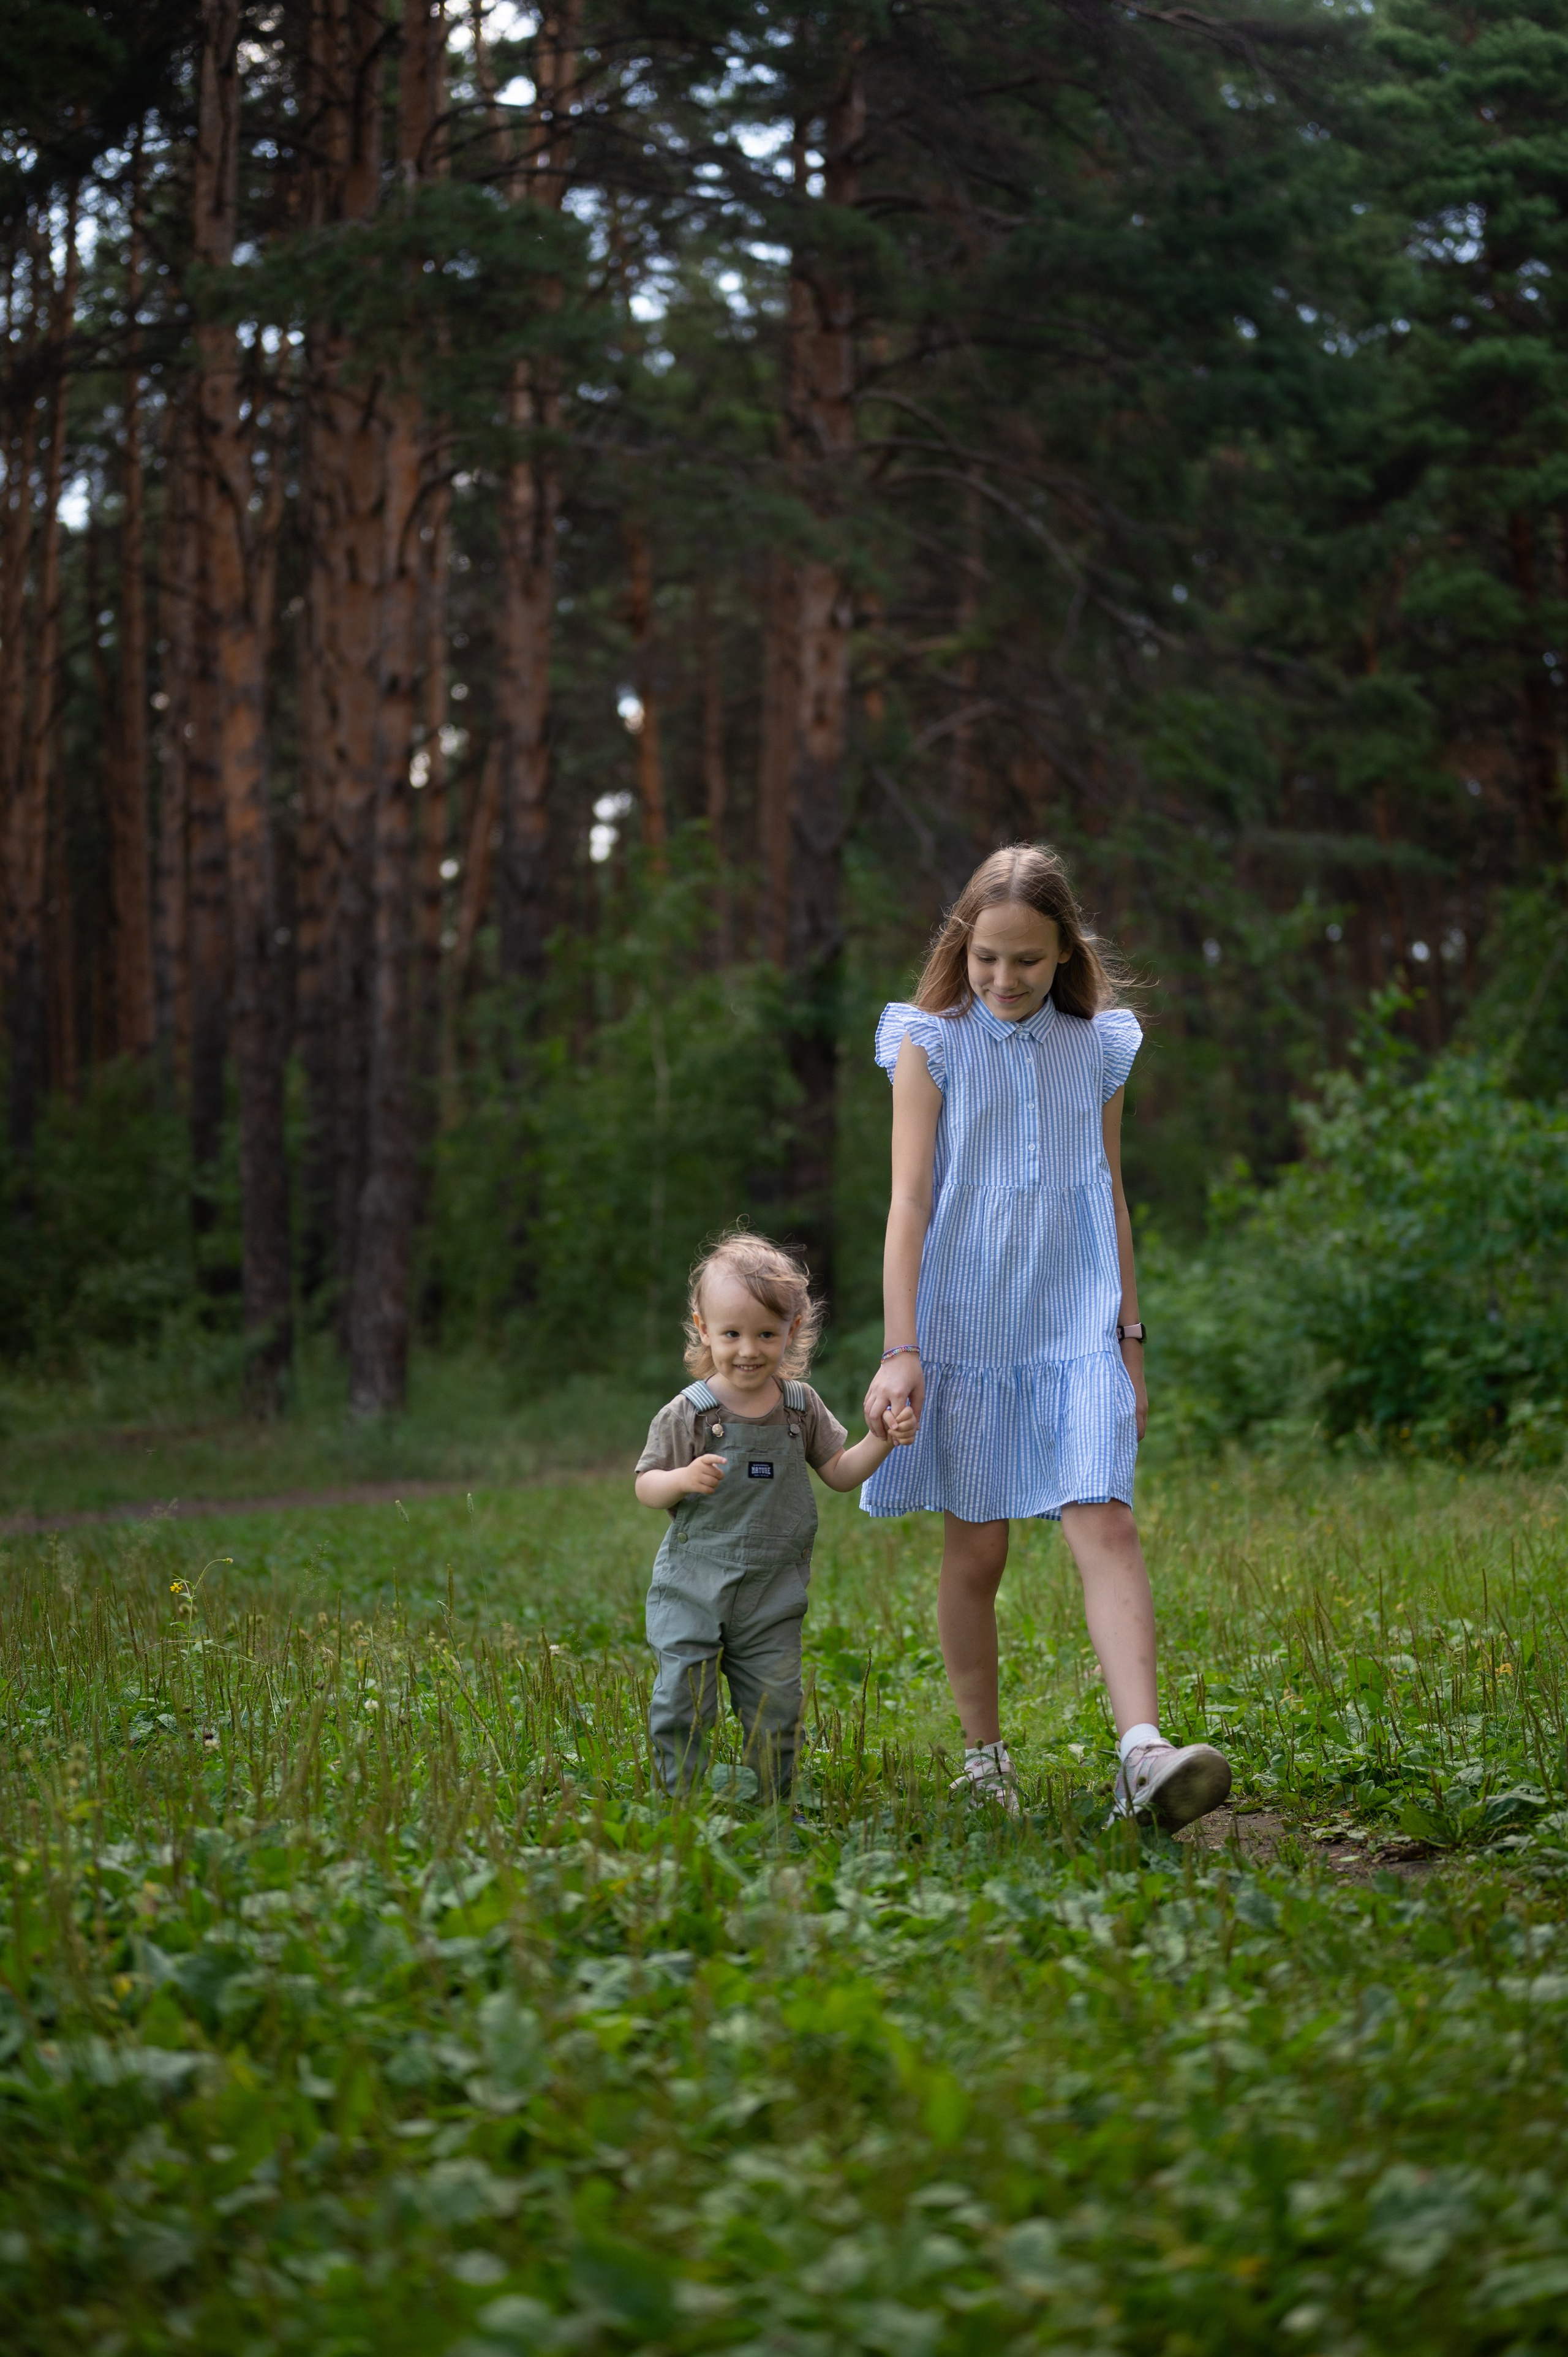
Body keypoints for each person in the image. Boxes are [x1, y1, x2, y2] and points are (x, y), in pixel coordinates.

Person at [860, 843, 1232, 1831]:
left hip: (1074, 1320)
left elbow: (1107, 1190)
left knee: (1106, 1521)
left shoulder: (1101, 1045)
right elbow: (907, 1201)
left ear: (1064, 948)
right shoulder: (927, 1043)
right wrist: (902, 1347)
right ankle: (985, 1759)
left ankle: (1142, 1752)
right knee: (975, 1552)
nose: (1004, 978)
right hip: (966, 1323)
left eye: (1027, 958)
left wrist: (1131, 1345)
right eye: (987, 956)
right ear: (963, 946)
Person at [636, 1230, 916, 1797]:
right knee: (683, 1697)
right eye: (732, 1333)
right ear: (703, 1327)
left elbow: (838, 1471)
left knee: (777, 1705)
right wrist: (682, 1480)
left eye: (766, 1334)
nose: (748, 1350)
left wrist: (881, 1438)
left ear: (791, 1331)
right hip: (694, 1582)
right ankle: (679, 1801)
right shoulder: (688, 1413)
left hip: (773, 1591)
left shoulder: (800, 1406)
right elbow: (646, 1485)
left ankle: (773, 1803)